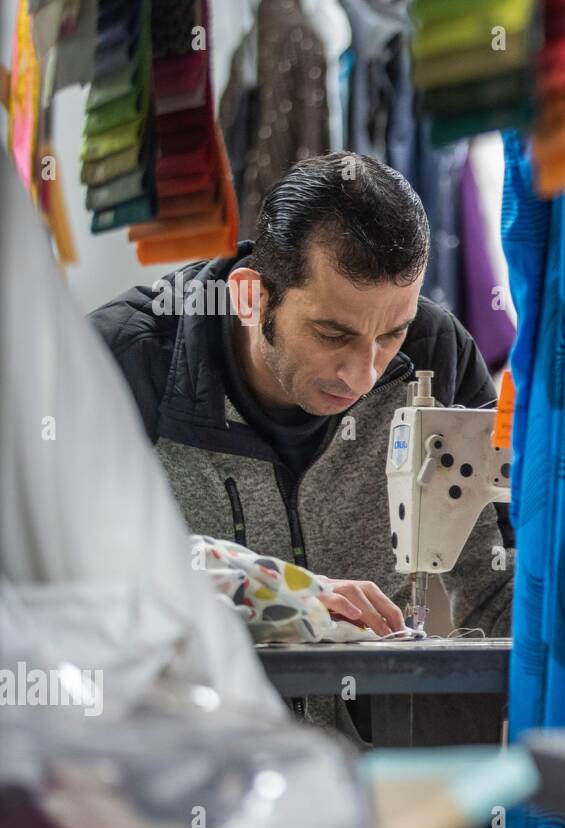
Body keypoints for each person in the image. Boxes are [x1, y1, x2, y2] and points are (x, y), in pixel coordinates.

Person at [88, 152, 513, 737]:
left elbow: (501, 577)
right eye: (332, 334)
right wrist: (285, 597)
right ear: (250, 297)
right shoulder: (121, 367)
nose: (364, 376)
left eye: (392, 333)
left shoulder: (436, 356)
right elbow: (75, 584)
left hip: (359, 769)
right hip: (177, 766)